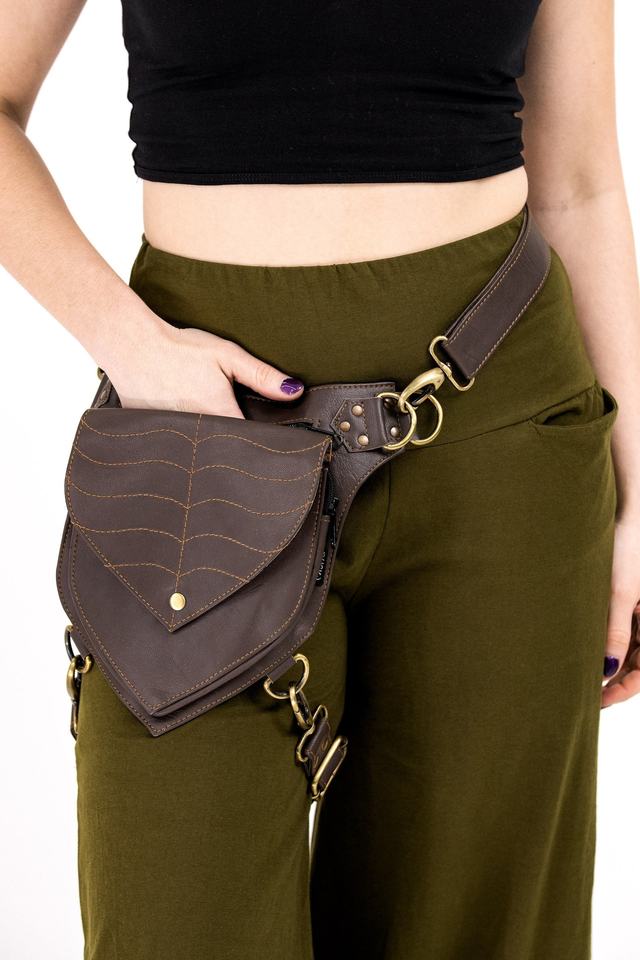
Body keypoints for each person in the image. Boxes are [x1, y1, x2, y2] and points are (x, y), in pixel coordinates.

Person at [1, 0, 639, 957]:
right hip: (202, 449)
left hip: (507, 436)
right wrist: (130, 343)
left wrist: (637, 506)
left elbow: (581, 185)